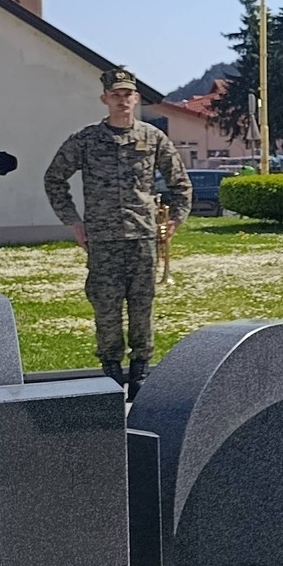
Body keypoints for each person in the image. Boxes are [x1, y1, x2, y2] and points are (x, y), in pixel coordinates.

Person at [44, 67, 192, 397]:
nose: (122, 100)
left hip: (142, 238)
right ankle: (110, 375)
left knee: (142, 310)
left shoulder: (153, 138)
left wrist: (175, 219)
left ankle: (140, 373)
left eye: (128, 95)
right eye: (116, 95)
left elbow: (180, 183)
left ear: (136, 98)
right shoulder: (86, 140)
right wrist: (73, 220)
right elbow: (54, 178)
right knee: (106, 311)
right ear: (105, 99)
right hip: (102, 239)